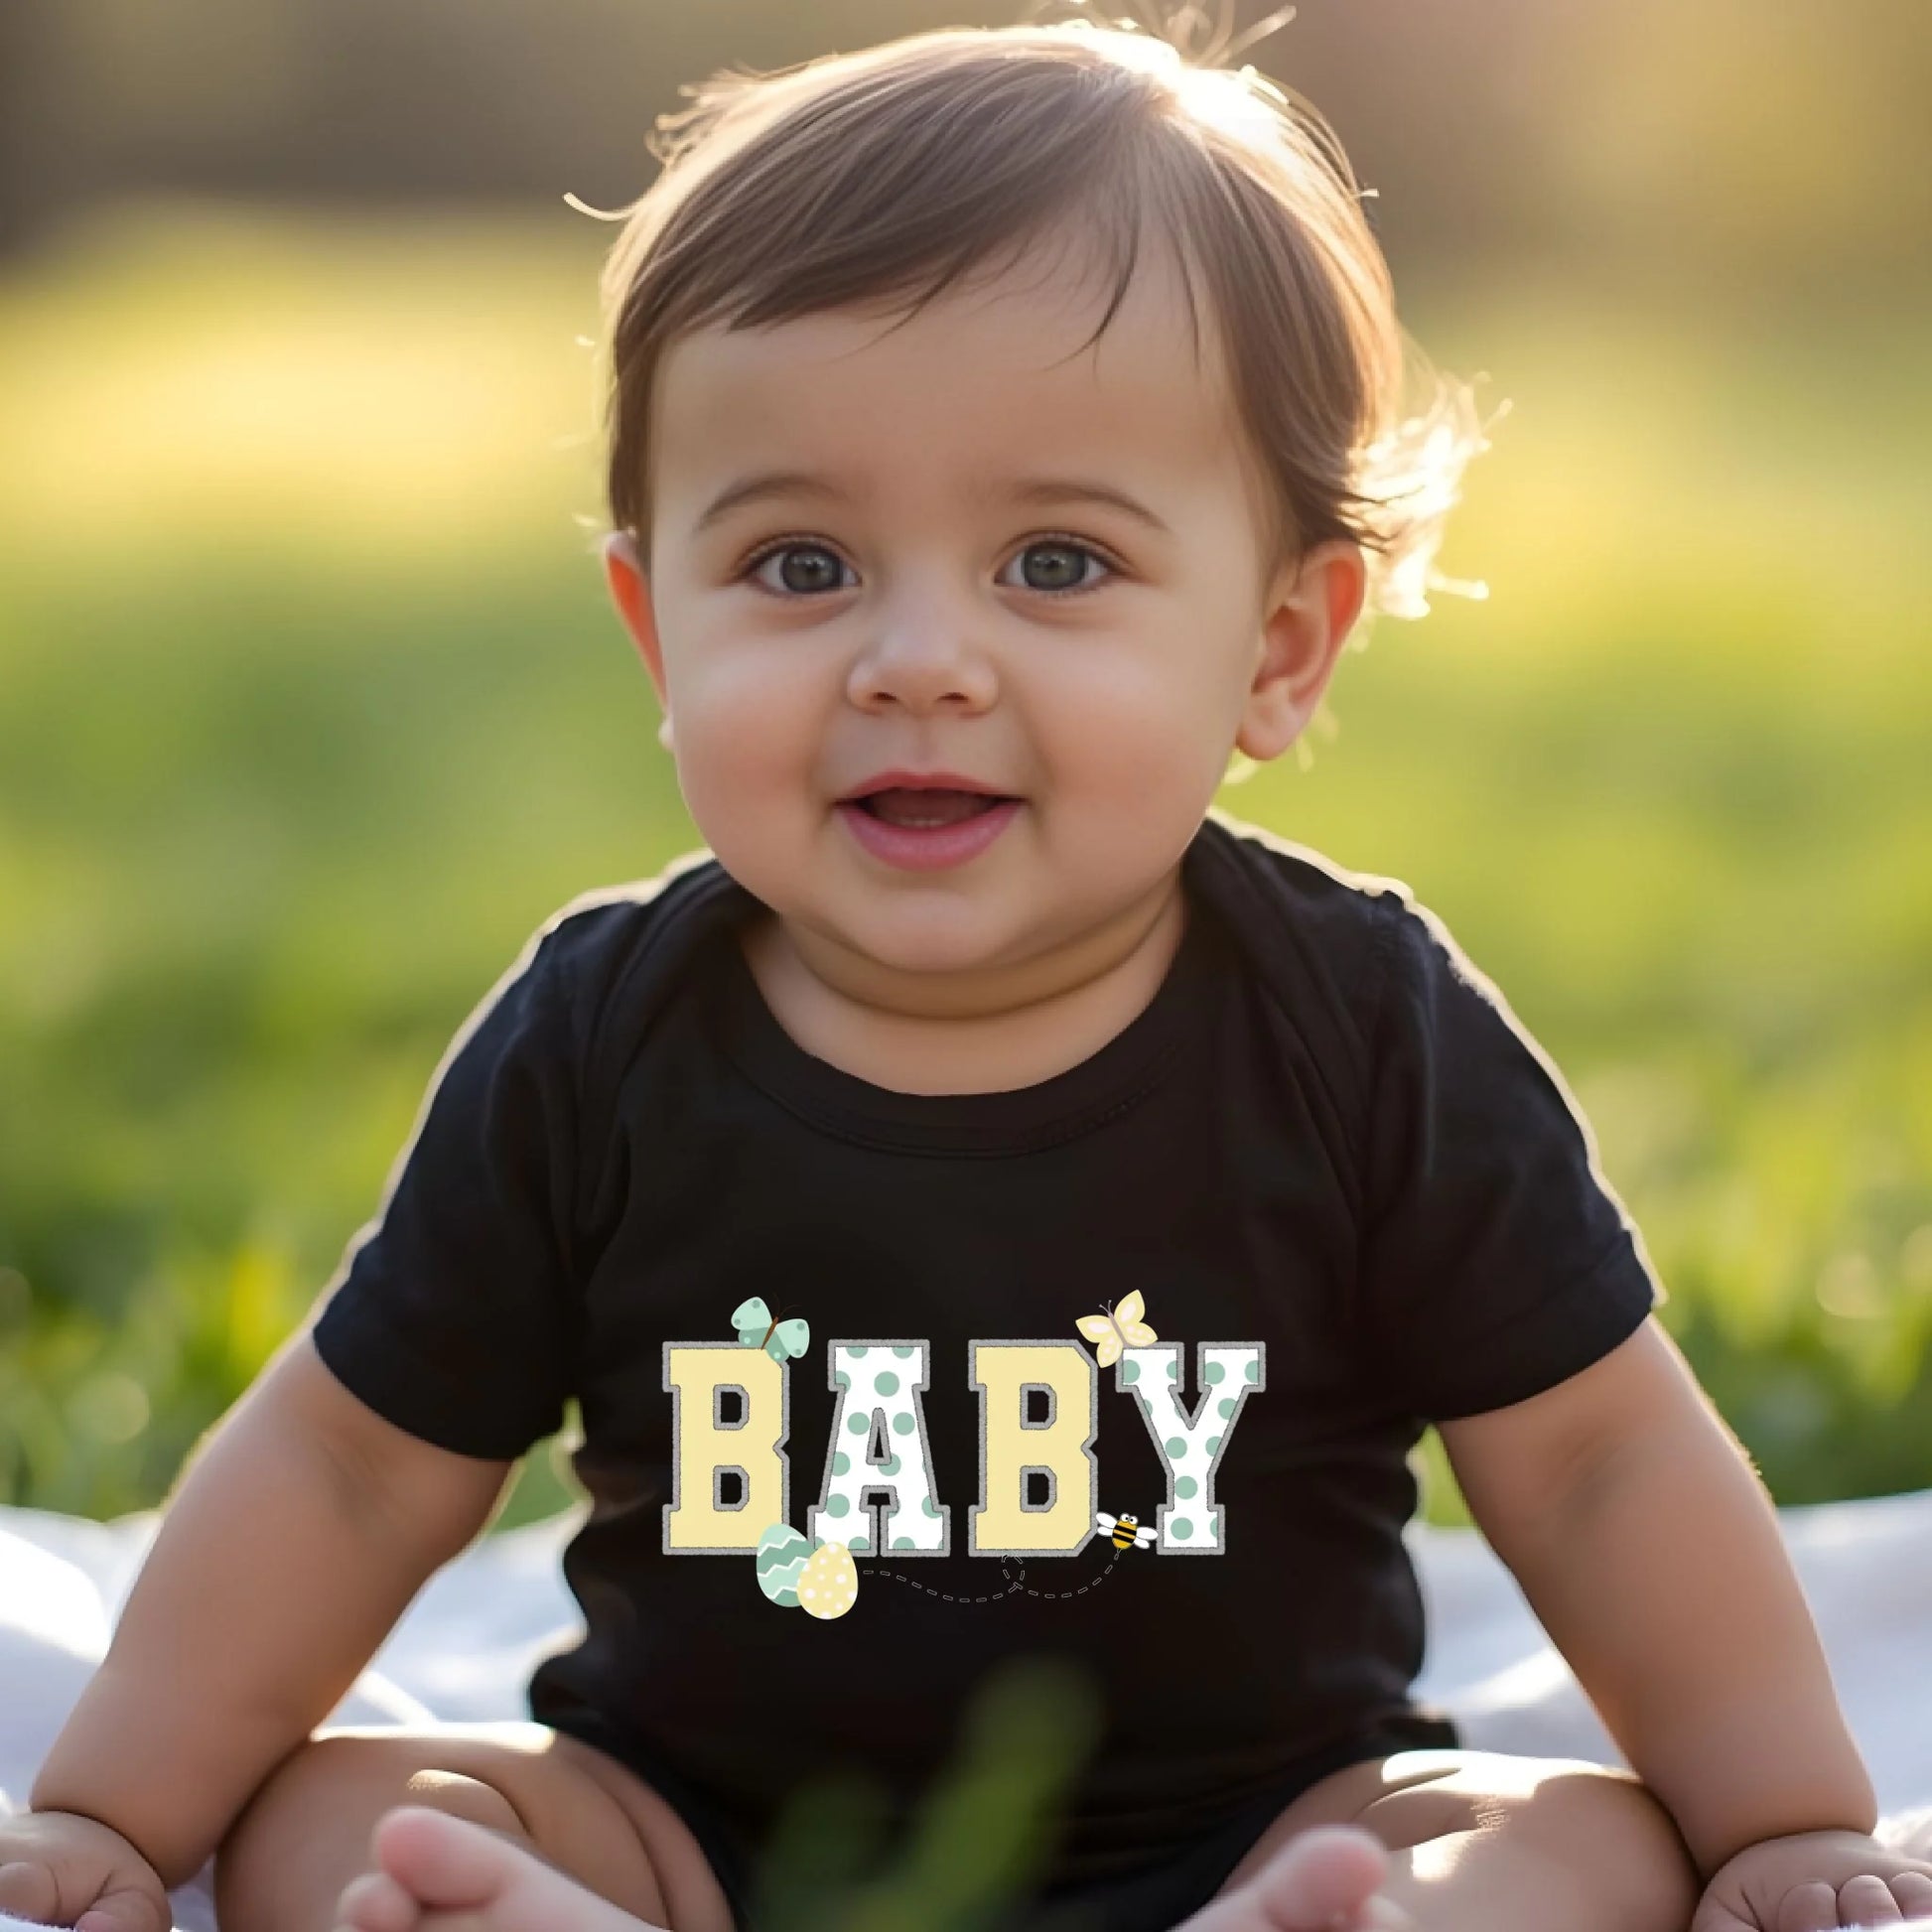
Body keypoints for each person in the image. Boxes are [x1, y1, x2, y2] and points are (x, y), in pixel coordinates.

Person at [5, 13, 1931, 1932]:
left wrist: (1778, 1821)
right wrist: (106, 1810)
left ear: (1276, 647)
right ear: (654, 626)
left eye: (1058, 565)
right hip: (686, 1836)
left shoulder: (1360, 1033)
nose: (916, 659)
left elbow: (1595, 1465)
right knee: (333, 1823)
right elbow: (350, 1470)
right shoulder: (603, 1043)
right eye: (799, 566)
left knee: (1566, 1844)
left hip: (1273, 1826)